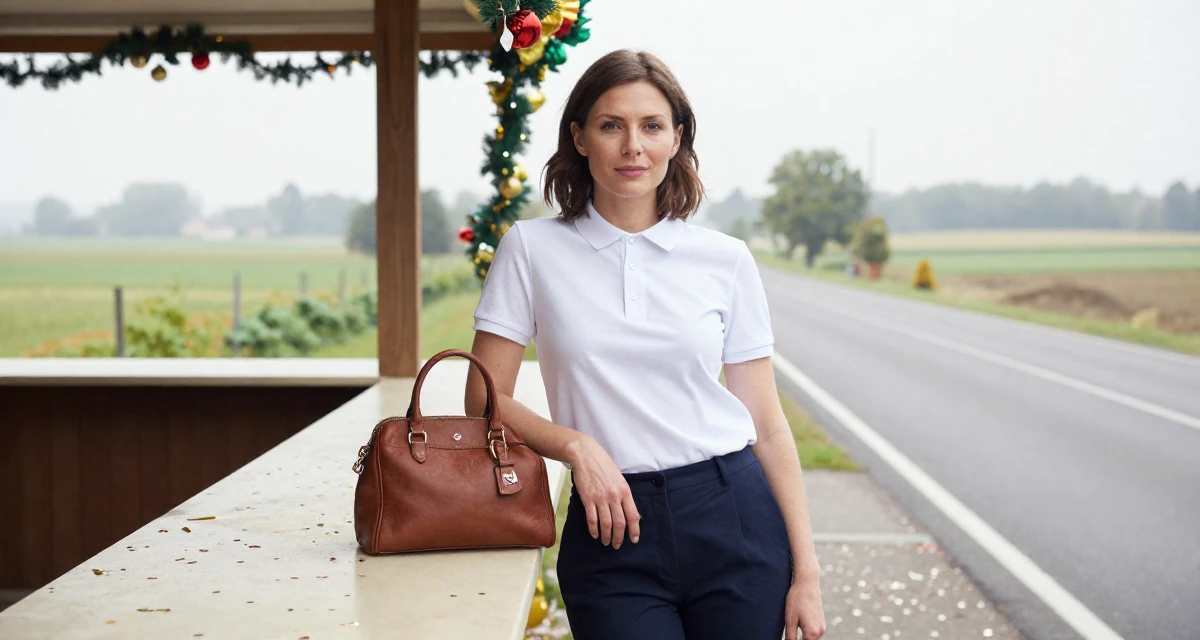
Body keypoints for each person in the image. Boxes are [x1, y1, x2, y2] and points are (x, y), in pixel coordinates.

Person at [466, 49, 826, 640]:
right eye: (612, 125)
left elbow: (766, 423)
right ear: (580, 138)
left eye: (652, 126)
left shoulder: (725, 259)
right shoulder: (530, 250)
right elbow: (482, 398)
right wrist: (576, 447)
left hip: (733, 516)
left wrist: (806, 574)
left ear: (677, 139)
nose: (633, 146)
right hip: (611, 530)